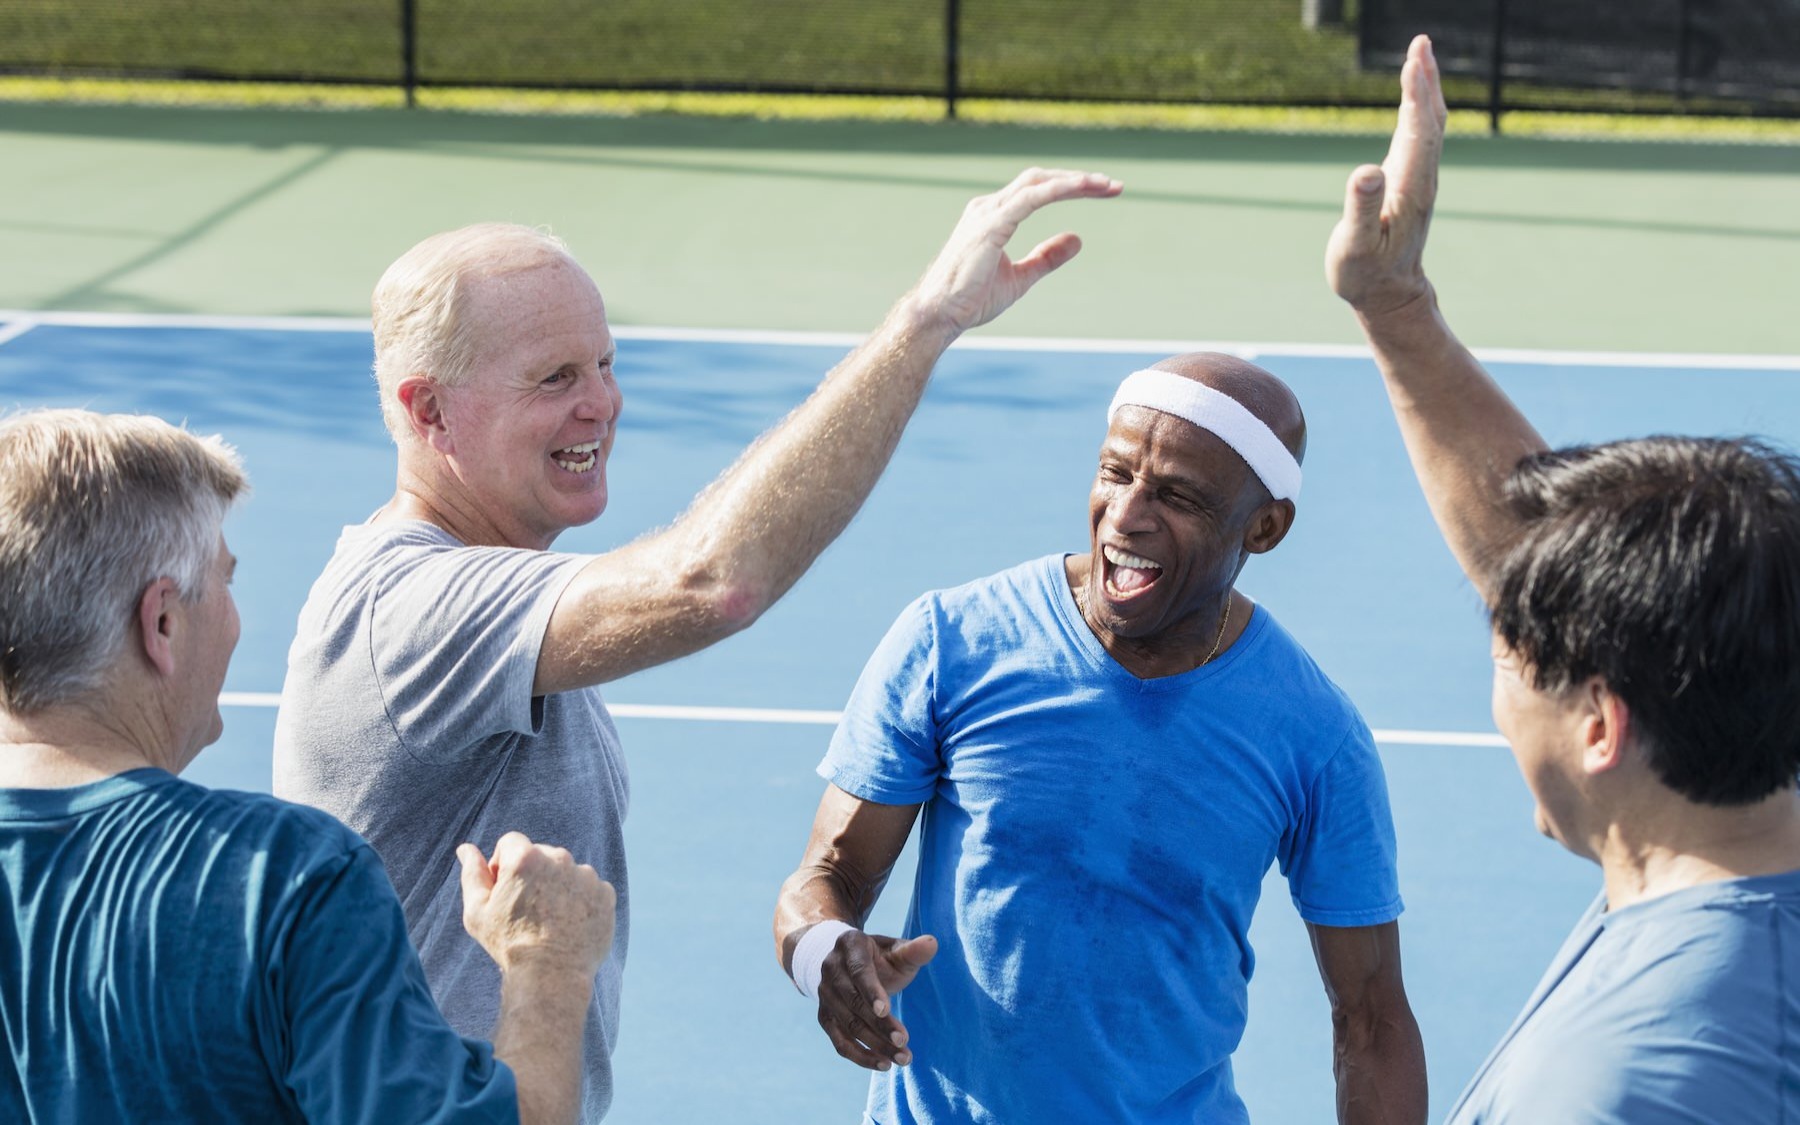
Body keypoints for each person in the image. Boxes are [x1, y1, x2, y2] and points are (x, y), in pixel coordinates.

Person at [270, 168, 1123, 1121]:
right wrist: (926, 320)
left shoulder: (495, 596)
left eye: (604, 363)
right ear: (426, 410)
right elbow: (712, 580)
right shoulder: (413, 608)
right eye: (556, 377)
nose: (603, 403)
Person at [1329, 36, 1800, 1122]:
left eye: (1509, 654)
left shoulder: (1616, 1089)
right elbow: (1547, 578)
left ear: (1602, 726)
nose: (1497, 678)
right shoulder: (1740, 862)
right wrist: (1396, 313)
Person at [774, 352, 1428, 1123]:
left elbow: (1372, 1015)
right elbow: (829, 874)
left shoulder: (1316, 733)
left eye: (1177, 494)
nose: (1127, 514)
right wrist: (825, 954)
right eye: (1115, 473)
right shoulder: (950, 641)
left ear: (1266, 526)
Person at [0, 409, 616, 1125]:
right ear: (161, 621)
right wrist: (549, 963)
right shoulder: (283, 878)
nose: (235, 620)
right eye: (224, 583)